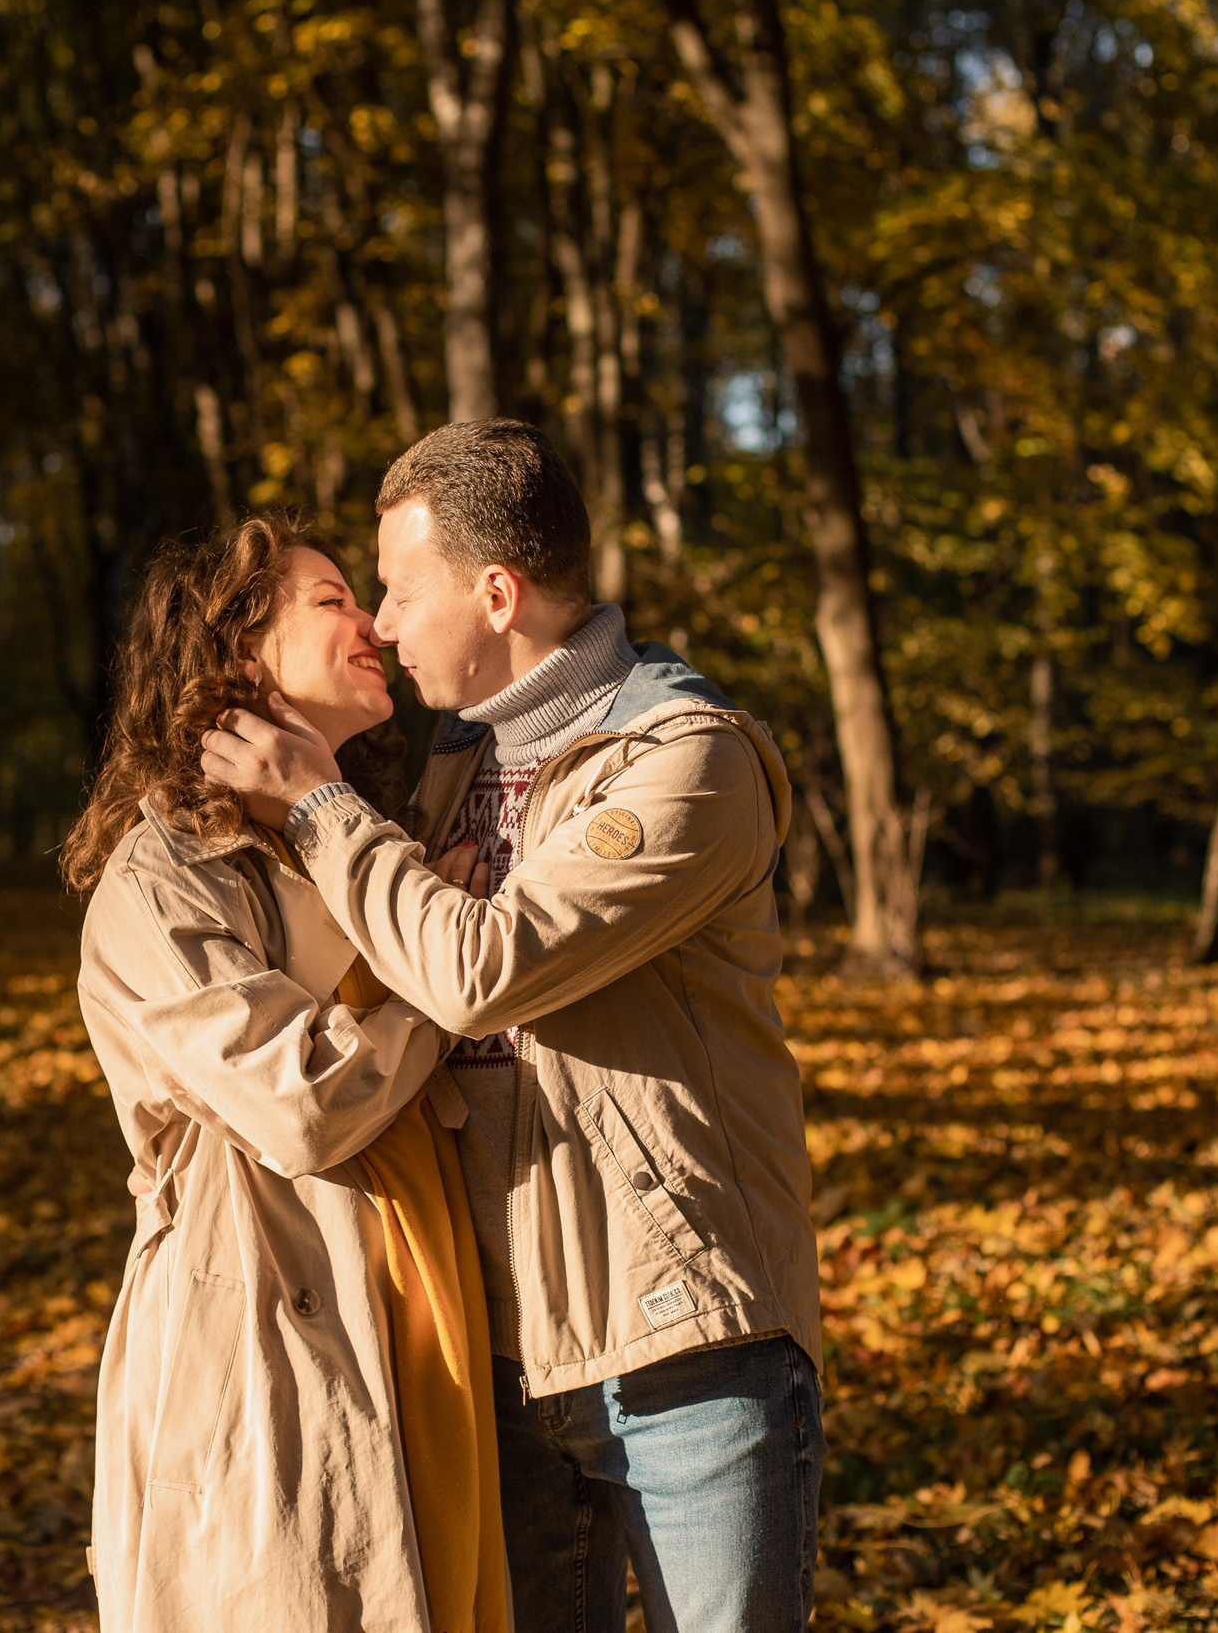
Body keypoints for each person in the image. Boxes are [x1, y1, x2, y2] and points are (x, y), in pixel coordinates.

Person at [203, 419, 824, 1633]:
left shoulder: (685, 761)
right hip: (496, 1354)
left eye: (396, 588)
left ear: (497, 594)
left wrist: (321, 806)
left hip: (682, 1349)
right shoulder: (455, 762)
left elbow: (479, 969)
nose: (379, 621)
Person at [64, 516, 508, 1633]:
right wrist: (427, 971)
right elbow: (298, 1105)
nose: (373, 624)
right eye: (332, 601)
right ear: (236, 654)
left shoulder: (361, 838)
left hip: (423, 1294)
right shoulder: (160, 879)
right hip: (262, 1329)